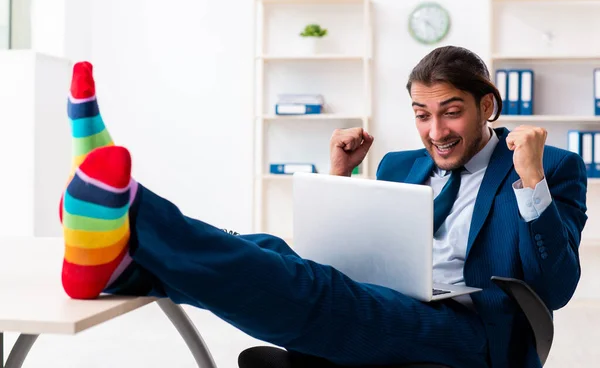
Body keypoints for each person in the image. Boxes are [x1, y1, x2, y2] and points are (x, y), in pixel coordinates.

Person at [60, 46, 587, 368]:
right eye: (422, 114)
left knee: (323, 294)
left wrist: (531, 180)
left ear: (487, 106)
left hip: (469, 333)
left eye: (451, 113)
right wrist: (339, 178)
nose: (435, 132)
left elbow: (556, 288)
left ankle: (124, 209)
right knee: (265, 248)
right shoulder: (399, 165)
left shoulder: (547, 166)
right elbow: (343, 254)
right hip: (390, 299)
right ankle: (128, 266)